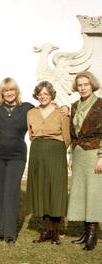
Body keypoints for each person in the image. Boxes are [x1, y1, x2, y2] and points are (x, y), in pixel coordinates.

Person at [26, 81, 70, 245]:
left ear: (51, 94)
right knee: (41, 189)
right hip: (37, 151)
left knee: (56, 189)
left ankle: (56, 232)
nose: (43, 96)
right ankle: (46, 230)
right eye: (40, 94)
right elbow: (31, 134)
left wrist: (57, 150)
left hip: (56, 151)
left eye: (46, 93)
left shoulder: (61, 112)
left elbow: (67, 137)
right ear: (36, 95)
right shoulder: (31, 112)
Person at [0, 78, 34, 244]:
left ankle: (10, 234)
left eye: (12, 90)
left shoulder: (27, 108)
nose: (9, 93)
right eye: (5, 91)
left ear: (17, 91)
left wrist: (64, 108)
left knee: (11, 192)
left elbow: (47, 109)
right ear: (1, 93)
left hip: (17, 157)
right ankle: (1, 231)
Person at [67, 71, 102, 251]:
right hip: (79, 154)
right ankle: (85, 231)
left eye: (85, 84)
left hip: (95, 154)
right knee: (81, 193)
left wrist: (101, 157)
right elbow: (73, 135)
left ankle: (92, 235)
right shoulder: (74, 106)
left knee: (94, 194)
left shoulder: (101, 104)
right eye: (79, 85)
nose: (82, 88)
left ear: (92, 85)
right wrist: (71, 156)